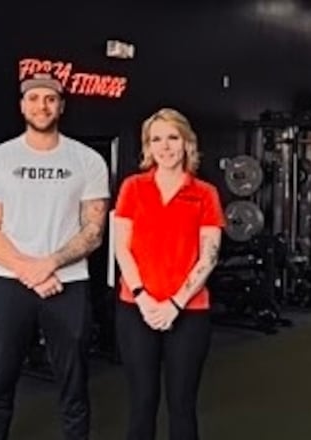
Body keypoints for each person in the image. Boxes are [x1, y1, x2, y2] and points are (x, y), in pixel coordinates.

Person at [0, 71, 109, 440]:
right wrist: (27, 270)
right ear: (22, 106)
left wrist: (48, 265)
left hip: (68, 284)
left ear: (61, 106)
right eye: (33, 98)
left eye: (50, 99)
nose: (42, 106)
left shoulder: (88, 160)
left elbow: (93, 231)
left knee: (74, 383)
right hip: (8, 282)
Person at [113, 108, 225, 440]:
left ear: (187, 142)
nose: (165, 147)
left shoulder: (205, 193)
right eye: (156, 139)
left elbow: (209, 256)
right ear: (148, 146)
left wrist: (175, 304)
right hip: (137, 308)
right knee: (141, 404)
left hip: (189, 311)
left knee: (182, 406)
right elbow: (122, 249)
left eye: (172, 138)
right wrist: (142, 297)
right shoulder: (133, 187)